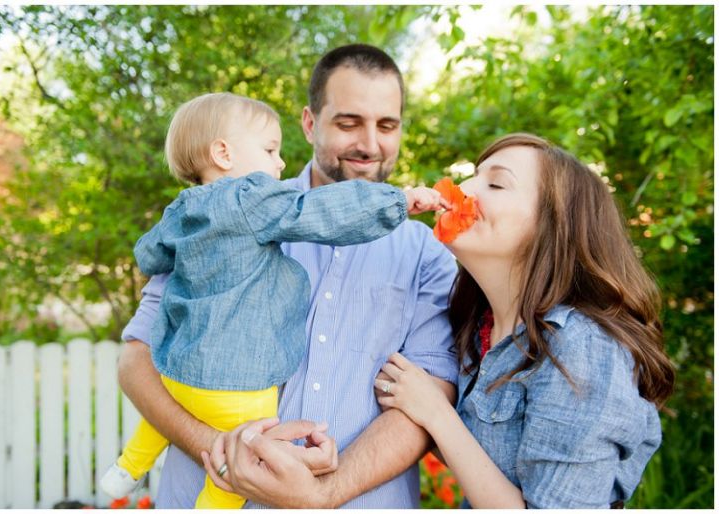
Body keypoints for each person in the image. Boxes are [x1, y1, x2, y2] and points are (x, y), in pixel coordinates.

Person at [118, 44, 460, 508]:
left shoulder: (426, 255)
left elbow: (432, 395)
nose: (370, 143)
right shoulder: (230, 212)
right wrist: (228, 457)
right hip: (205, 491)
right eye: (348, 122)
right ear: (309, 122)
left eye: (387, 125)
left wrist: (324, 491)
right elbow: (137, 359)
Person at [369, 133, 676, 508]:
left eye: (496, 183)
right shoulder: (479, 330)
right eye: (473, 176)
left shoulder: (581, 348)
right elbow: (492, 466)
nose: (463, 189)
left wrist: (436, 414)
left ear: (553, 226)